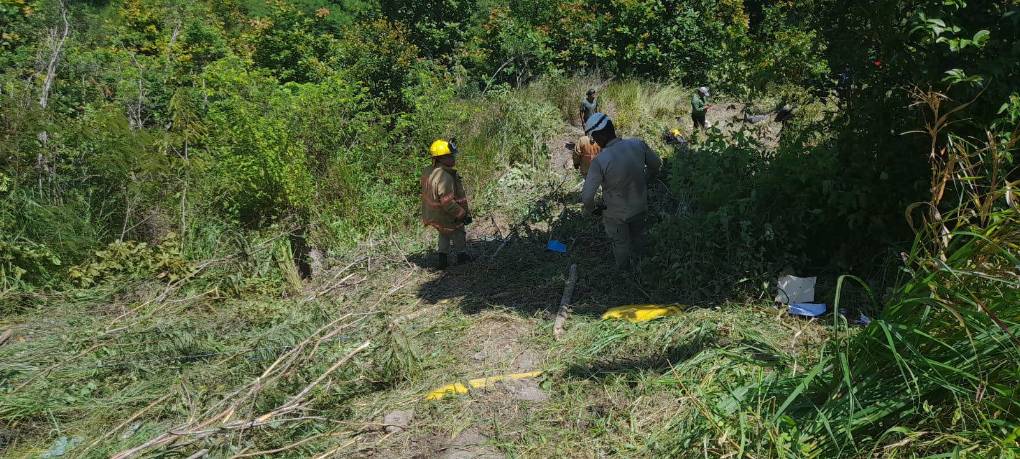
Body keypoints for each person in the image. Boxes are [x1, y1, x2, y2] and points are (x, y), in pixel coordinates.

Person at [581, 113, 662, 271]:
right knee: (639, 237)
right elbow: (656, 165)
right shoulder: (638, 144)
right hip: (640, 205)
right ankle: (644, 268)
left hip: (616, 214)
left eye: (594, 138)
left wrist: (593, 210)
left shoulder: (600, 161)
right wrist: (645, 180)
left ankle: (625, 275)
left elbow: (587, 197)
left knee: (621, 244)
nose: (595, 142)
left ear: (600, 135)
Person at [421, 139, 473, 269]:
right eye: (450, 156)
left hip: (434, 213)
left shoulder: (428, 170)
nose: (453, 158)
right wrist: (462, 214)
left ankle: (442, 260)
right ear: (440, 158)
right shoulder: (445, 176)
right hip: (446, 213)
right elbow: (448, 202)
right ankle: (462, 257)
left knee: (443, 233)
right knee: (459, 231)